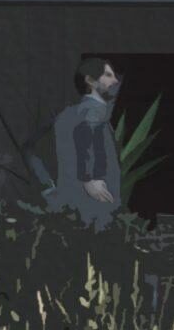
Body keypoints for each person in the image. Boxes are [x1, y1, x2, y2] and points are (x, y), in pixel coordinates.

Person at [51, 56, 123, 229]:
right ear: (90, 80)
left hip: (75, 206)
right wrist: (89, 179)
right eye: (108, 75)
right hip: (96, 204)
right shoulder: (94, 110)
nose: (114, 80)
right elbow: (85, 137)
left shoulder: (66, 115)